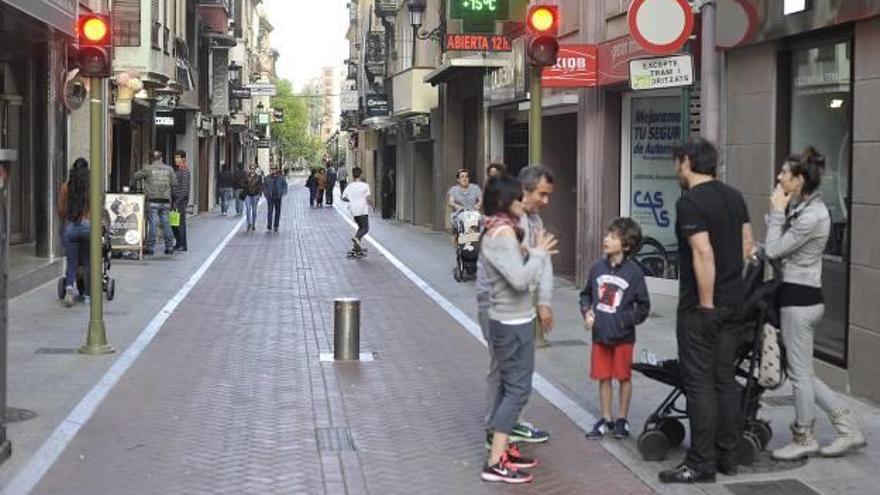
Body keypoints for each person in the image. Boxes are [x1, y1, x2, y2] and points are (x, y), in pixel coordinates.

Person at [659, 137, 754, 484]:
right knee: (724, 379)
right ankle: (728, 456)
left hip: (703, 308)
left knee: (699, 383)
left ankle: (700, 463)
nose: (676, 170)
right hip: (735, 303)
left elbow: (703, 253)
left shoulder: (690, 203)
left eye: (677, 163)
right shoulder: (735, 196)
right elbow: (747, 246)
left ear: (686, 161)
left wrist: (707, 303)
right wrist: (729, 290)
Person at [766, 148, 866, 460]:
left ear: (799, 180)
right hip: (800, 297)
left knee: (799, 375)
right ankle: (848, 428)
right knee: (804, 372)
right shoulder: (806, 207)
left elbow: (774, 250)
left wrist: (777, 213)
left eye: (785, 173)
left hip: (800, 301)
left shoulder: (812, 215)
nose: (779, 177)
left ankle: (804, 436)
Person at [479, 174, 558, 484]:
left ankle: (502, 451)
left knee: (513, 387)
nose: (523, 204)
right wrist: (537, 253)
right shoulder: (501, 234)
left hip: (516, 318)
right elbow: (520, 280)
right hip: (509, 321)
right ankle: (495, 460)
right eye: (518, 199)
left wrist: (533, 254)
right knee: (516, 388)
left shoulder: (508, 231)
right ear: (505, 202)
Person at [581, 218, 651, 440]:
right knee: (603, 377)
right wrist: (587, 312)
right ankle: (606, 418)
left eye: (612, 237)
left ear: (626, 245)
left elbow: (644, 306)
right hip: (600, 334)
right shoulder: (596, 268)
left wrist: (624, 321)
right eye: (607, 234)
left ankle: (622, 419)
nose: (606, 239)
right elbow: (585, 295)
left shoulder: (634, 273)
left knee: (623, 377)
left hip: (623, 337)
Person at [57, 158, 91, 307]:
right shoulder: (91, 187)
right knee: (88, 262)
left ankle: (69, 287)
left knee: (71, 263)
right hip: (87, 226)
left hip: (71, 226)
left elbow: (60, 210)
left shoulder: (65, 187)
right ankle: (88, 295)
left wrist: (69, 217)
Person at [131, 150, 178, 256]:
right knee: (166, 223)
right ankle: (169, 246)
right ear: (162, 158)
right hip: (165, 200)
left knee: (153, 224)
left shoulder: (148, 168)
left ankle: (151, 247)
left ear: (152, 159)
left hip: (152, 200)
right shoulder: (169, 169)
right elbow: (174, 183)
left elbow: (135, 176)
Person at [341, 167, 371, 252]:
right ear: (361, 174)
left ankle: (357, 247)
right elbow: (368, 198)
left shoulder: (349, 186)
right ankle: (356, 238)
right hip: (362, 210)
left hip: (353, 210)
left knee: (360, 227)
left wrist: (351, 200)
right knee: (365, 228)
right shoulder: (365, 185)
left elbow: (342, 197)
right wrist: (371, 204)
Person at [171, 150, 190, 252]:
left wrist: (177, 202)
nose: (176, 160)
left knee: (180, 224)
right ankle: (178, 243)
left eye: (178, 158)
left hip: (180, 201)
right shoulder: (177, 170)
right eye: (175, 158)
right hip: (174, 200)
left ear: (183, 159)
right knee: (174, 223)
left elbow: (184, 189)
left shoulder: (185, 171)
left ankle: (183, 244)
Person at [263, 165, 288, 232]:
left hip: (278, 197)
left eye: (274, 169)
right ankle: (269, 225)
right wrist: (266, 195)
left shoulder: (281, 178)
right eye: (272, 169)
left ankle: (276, 225)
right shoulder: (267, 178)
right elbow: (264, 187)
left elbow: (285, 185)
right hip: (270, 197)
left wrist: (283, 192)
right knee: (270, 211)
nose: (273, 170)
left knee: (277, 212)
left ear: (276, 170)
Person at [243, 164, 264, 231]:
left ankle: (253, 224)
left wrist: (259, 195)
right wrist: (246, 185)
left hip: (255, 195)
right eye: (251, 168)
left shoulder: (259, 177)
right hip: (247, 195)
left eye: (253, 169)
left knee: (254, 210)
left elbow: (261, 187)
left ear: (255, 170)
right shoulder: (246, 176)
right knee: (248, 209)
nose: (252, 170)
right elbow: (241, 183)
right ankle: (249, 224)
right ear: (249, 169)